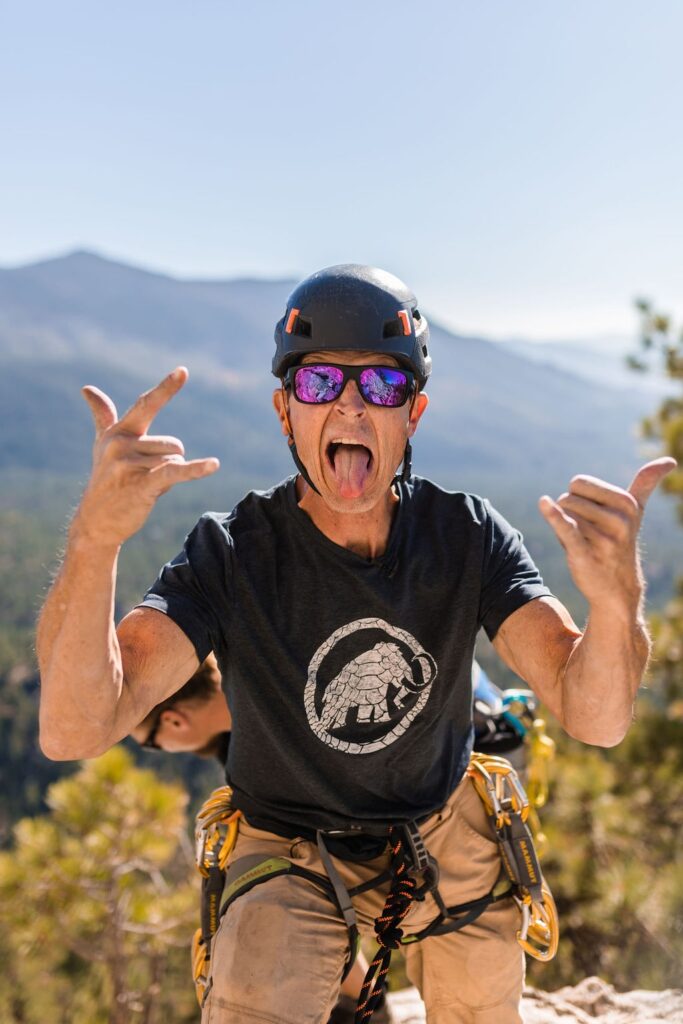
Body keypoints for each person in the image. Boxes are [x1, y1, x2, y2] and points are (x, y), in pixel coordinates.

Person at [37, 263, 675, 1024]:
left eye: (380, 384)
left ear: (413, 413)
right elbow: (76, 728)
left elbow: (595, 716)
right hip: (286, 841)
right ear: (285, 412)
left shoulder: (466, 537)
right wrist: (94, 542)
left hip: (441, 821)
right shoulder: (232, 555)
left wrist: (616, 602)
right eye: (318, 384)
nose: (349, 404)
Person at [131, 655, 394, 1024]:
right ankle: (365, 999)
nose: (161, 749)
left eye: (152, 743)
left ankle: (365, 1002)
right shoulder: (251, 700)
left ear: (174, 720)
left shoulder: (255, 736)